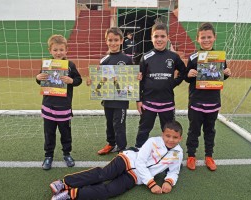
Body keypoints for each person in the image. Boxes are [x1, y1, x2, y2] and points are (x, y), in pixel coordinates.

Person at [49, 120, 183, 200]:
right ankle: (64, 183)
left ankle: (70, 195)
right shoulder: (152, 142)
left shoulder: (178, 153)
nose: (171, 140)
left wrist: (169, 182)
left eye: (175, 137)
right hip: (127, 160)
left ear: (180, 138)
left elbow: (174, 171)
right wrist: (151, 183)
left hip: (136, 177)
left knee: (110, 191)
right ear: (162, 135)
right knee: (104, 174)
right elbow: (140, 162)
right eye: (168, 136)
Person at [86, 27, 141, 155]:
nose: (113, 43)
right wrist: (92, 81)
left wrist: (137, 76)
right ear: (106, 41)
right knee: (109, 123)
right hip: (107, 98)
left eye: (116, 40)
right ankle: (111, 143)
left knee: (119, 124)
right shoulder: (103, 60)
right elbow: (100, 79)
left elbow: (132, 78)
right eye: (110, 40)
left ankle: (122, 148)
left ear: (121, 41)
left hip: (121, 99)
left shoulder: (127, 59)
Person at [184, 22, 231, 171]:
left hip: (213, 102)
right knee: (194, 130)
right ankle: (191, 155)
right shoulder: (193, 58)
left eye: (209, 37)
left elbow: (219, 78)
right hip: (196, 102)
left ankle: (209, 156)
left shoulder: (220, 58)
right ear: (198, 39)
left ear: (214, 38)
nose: (206, 40)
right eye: (203, 37)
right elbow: (186, 77)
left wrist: (226, 74)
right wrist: (189, 74)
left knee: (210, 130)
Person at [135, 23, 186, 149]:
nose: (159, 39)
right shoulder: (146, 57)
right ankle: (138, 151)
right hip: (148, 102)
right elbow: (139, 80)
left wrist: (173, 83)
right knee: (144, 129)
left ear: (168, 38)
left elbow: (184, 72)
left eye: (162, 36)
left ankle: (169, 153)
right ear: (151, 37)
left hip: (167, 103)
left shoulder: (173, 56)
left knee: (170, 131)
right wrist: (138, 100)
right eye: (156, 36)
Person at [36, 34, 82, 170]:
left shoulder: (70, 65)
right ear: (50, 51)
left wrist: (72, 81)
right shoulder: (47, 65)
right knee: (49, 133)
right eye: (55, 50)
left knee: (65, 133)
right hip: (48, 106)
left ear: (66, 50)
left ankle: (67, 154)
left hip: (64, 107)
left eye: (61, 50)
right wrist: (38, 77)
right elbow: (41, 80)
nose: (58, 53)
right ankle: (48, 156)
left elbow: (79, 80)